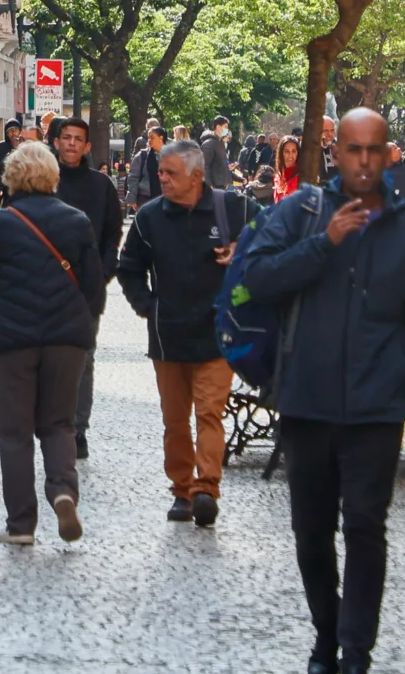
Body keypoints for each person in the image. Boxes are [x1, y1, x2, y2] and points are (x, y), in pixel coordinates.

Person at [244, 109, 405, 674]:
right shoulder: (301, 213)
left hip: (376, 406)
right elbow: (256, 279)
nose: (363, 160)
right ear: (337, 154)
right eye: (352, 149)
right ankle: (326, 636)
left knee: (365, 525)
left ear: (388, 156)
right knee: (312, 533)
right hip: (308, 401)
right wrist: (324, 245)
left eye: (373, 150)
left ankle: (356, 652)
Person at [0, 141, 101, 546]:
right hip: (67, 340)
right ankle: (63, 490)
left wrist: (8, 306)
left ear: (11, 177)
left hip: (14, 340)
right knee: (59, 423)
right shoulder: (77, 221)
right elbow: (94, 290)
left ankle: (21, 524)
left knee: (14, 431)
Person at [117, 138, 241, 528]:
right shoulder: (150, 217)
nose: (162, 178)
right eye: (161, 172)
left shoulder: (231, 208)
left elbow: (275, 238)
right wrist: (146, 306)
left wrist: (243, 246)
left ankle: (206, 489)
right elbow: (129, 266)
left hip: (217, 334)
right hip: (168, 335)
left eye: (171, 173)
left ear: (197, 176)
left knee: (209, 413)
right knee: (175, 420)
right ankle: (182, 489)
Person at [52, 117, 123, 460]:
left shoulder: (102, 185)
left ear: (88, 146)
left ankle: (78, 428)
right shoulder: (43, 181)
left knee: (84, 360)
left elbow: (113, 233)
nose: (71, 144)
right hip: (47, 287)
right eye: (66, 138)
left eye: (78, 139)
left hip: (88, 288)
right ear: (56, 142)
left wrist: (104, 272)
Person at [127, 125, 167, 211]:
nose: (149, 140)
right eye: (148, 138)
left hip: (166, 197)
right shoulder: (142, 155)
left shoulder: (172, 156)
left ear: (161, 138)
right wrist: (132, 198)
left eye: (152, 138)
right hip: (145, 198)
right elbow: (133, 177)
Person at [0, 118, 24, 198]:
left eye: (15, 130)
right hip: (5, 189)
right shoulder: (0, 147)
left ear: (20, 131)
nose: (13, 133)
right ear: (6, 133)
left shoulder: (25, 146)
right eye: (10, 131)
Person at [199, 118, 231, 190]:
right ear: (218, 127)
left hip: (221, 186)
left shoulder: (220, 143)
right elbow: (204, 165)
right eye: (225, 127)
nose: (227, 130)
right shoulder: (209, 143)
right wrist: (209, 185)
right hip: (214, 187)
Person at [276, 136, 304, 202]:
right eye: (287, 151)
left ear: (298, 153)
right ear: (281, 153)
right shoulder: (277, 177)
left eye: (294, 151)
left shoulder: (302, 175)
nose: (290, 155)